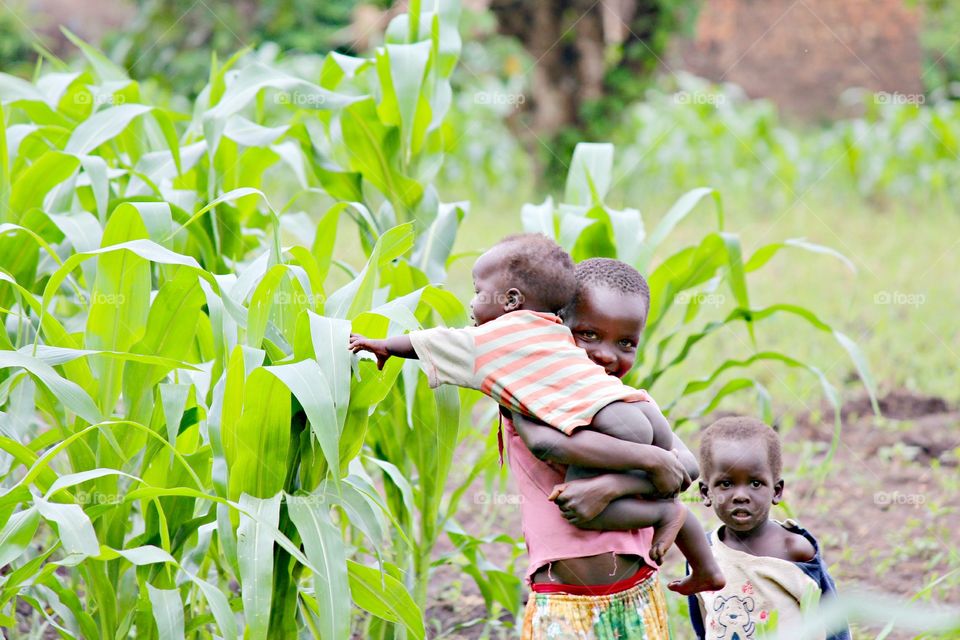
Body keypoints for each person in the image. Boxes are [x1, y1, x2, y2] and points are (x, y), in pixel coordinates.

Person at [349, 234, 724, 595]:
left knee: (588, 509)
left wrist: (610, 486)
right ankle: (680, 532)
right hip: (595, 592)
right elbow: (552, 445)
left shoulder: (608, 396)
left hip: (611, 590)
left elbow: (686, 467)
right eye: (588, 335)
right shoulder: (536, 388)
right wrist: (651, 462)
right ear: (555, 327)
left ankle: (669, 520)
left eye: (626, 343)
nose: (607, 355)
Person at [687, 416, 851, 640]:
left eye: (755, 483)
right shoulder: (703, 552)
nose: (741, 496)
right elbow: (704, 621)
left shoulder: (794, 550)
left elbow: (831, 619)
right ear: (706, 493)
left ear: (777, 491)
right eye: (726, 484)